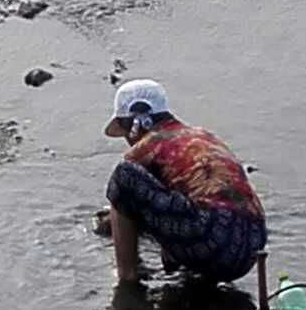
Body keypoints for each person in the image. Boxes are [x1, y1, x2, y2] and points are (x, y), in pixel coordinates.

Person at [103, 79, 266, 285]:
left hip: (212, 239)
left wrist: (112, 223)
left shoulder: (147, 146)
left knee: (124, 176)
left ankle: (126, 275)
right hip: (252, 244)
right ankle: (185, 272)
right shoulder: (202, 136)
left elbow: (125, 196)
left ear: (135, 125)